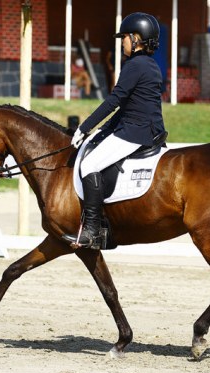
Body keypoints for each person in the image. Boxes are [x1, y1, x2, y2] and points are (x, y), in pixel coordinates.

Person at [64, 12, 166, 249]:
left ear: (136, 38)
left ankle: (92, 230)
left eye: (124, 38)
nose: (122, 43)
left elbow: (116, 100)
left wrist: (84, 127)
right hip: (143, 128)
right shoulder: (149, 64)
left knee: (89, 165)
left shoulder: (135, 65)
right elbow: (128, 107)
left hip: (135, 131)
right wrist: (98, 132)